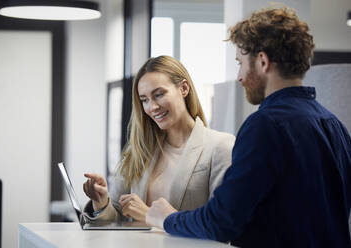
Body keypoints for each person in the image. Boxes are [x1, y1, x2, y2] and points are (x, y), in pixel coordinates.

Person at [146, 7, 351, 247]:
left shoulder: (265, 126)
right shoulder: (335, 125)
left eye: (240, 63)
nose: (240, 76)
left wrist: (168, 218)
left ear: (262, 61)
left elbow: (221, 221)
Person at [82, 55, 235, 222]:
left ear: (184, 88)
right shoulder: (139, 150)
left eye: (159, 94)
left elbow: (219, 222)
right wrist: (102, 202)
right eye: (144, 100)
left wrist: (149, 215)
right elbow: (116, 217)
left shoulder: (220, 146)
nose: (152, 107)